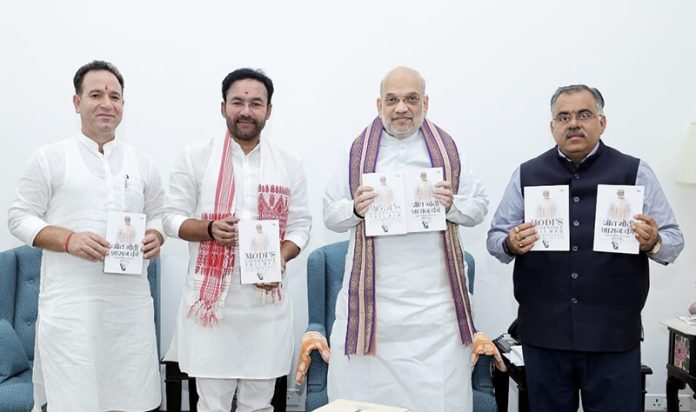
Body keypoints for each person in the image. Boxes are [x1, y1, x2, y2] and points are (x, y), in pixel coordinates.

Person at [296, 66, 501, 411]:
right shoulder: (357, 152)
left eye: (411, 99)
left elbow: (479, 207)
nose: (401, 108)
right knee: (363, 397)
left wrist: (452, 205)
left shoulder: (449, 150)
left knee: (438, 398)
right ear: (379, 104)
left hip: (435, 311)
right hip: (373, 308)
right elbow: (331, 214)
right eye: (392, 100)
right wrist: (356, 209)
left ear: (426, 102)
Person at [487, 84, 684, 411]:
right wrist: (510, 242)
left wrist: (653, 241)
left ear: (602, 123)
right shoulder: (527, 174)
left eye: (584, 115)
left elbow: (673, 242)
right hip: (544, 335)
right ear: (552, 127)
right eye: (563, 117)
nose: (573, 123)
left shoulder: (634, 172)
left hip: (613, 337)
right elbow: (495, 239)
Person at [7, 60, 164, 411]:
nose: (107, 103)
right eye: (95, 95)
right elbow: (18, 216)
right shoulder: (50, 158)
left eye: (115, 96)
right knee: (75, 399)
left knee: (134, 399)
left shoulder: (142, 163)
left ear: (123, 104)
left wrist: (156, 234)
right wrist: (68, 239)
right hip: (72, 310)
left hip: (130, 310)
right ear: (77, 102)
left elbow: (158, 214)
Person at [163, 68, 311, 412]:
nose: (246, 111)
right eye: (238, 102)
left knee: (259, 404)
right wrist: (209, 230)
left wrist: (281, 257)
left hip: (265, 305)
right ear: (222, 107)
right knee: (211, 403)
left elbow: (302, 225)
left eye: (256, 103)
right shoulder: (195, 157)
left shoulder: (289, 163)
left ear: (269, 111)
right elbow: (170, 218)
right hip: (211, 306)